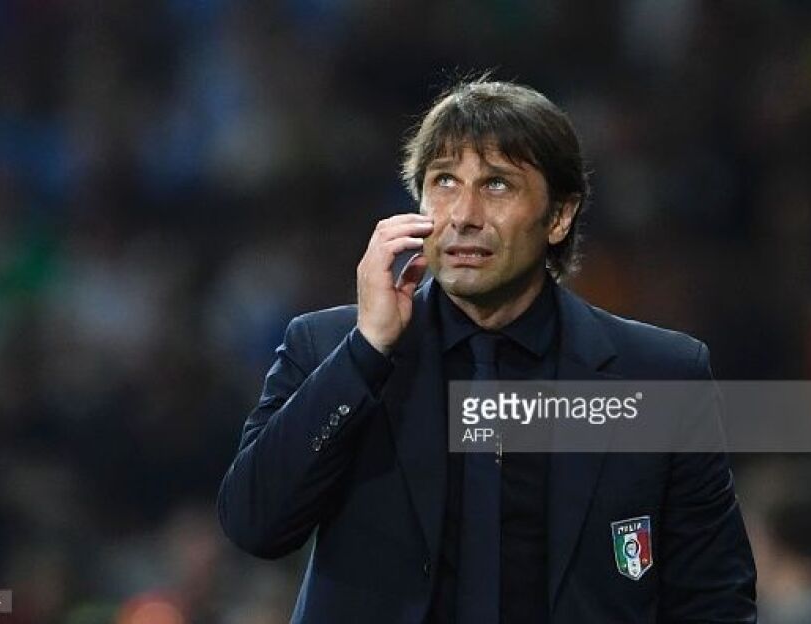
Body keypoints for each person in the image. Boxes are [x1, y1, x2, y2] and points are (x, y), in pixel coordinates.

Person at [217, 79, 757, 623]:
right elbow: (254, 525)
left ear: (559, 216)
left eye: (497, 185)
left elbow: (714, 601)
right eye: (444, 182)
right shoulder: (328, 348)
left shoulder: (660, 375)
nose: (464, 215)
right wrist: (365, 352)